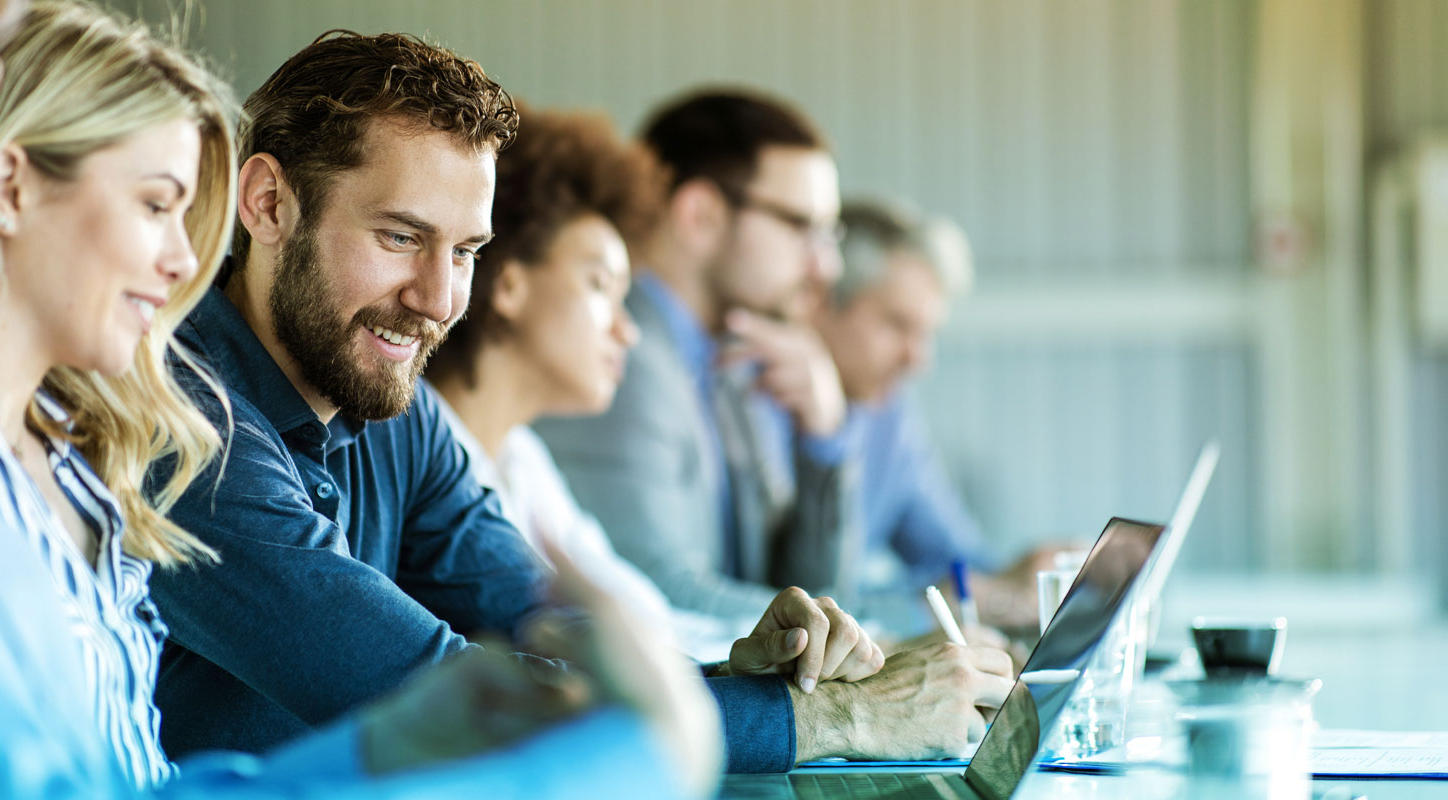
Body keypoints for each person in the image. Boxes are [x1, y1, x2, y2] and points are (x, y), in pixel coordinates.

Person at [0, 3, 720, 798]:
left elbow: (122, 785)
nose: (183, 263)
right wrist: (638, 742)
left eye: (464, 251)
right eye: (156, 206)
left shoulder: (73, 462)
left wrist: (377, 749)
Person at [146, 32, 1014, 772]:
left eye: (467, 251)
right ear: (267, 204)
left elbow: (550, 623)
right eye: (400, 237)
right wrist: (839, 720)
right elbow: (437, 689)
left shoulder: (397, 413)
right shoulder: (182, 422)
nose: (441, 298)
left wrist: (730, 679)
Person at [425, 108, 760, 662]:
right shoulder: (427, 460)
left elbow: (651, 623)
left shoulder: (523, 459)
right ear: (508, 285)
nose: (626, 331)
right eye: (600, 285)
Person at [534, 89, 861, 622]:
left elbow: (799, 588)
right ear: (701, 214)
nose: (827, 266)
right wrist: (869, 640)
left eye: (830, 234)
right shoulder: (617, 358)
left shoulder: (732, 366)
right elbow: (657, 597)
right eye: (803, 227)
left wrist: (824, 441)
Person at [815, 200, 1064, 630]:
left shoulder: (887, 416)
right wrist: (932, 605)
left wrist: (1023, 573)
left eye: (927, 333)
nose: (918, 360)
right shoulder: (755, 403)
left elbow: (954, 558)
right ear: (824, 303)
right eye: (897, 325)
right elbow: (786, 601)